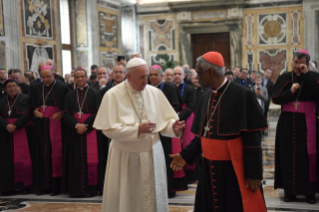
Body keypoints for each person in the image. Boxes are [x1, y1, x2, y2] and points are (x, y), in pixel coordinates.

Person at [170, 51, 268, 212]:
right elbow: (203, 135)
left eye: (199, 73)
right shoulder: (204, 96)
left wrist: (254, 173)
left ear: (210, 72)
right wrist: (185, 155)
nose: (195, 77)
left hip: (233, 170)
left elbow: (252, 139)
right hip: (208, 168)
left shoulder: (242, 95)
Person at [93, 58, 185, 212]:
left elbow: (164, 122)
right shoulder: (112, 95)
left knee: (153, 198)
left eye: (146, 76)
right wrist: (137, 129)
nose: (145, 81)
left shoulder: (154, 93)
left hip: (153, 156)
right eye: (141, 77)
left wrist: (174, 127)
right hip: (126, 157)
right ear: (128, 76)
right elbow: (107, 130)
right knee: (129, 199)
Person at [272, 49, 319, 204]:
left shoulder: (313, 77)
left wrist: (307, 74)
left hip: (308, 124)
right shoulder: (285, 77)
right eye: (295, 62)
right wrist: (290, 92)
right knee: (287, 156)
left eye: (301, 63)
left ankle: (310, 192)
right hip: (287, 124)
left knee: (308, 157)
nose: (297, 66)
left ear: (307, 64)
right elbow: (276, 99)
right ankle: (289, 192)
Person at [62, 68, 108, 197]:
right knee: (75, 160)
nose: (80, 79)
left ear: (86, 77)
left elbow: (98, 112)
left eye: (82, 76)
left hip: (91, 131)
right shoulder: (69, 95)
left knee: (93, 160)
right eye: (77, 77)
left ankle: (92, 189)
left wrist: (85, 126)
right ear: (74, 79)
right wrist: (77, 125)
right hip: (75, 132)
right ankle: (76, 190)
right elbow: (66, 114)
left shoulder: (95, 93)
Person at [30, 65, 70, 196]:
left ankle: (56, 186)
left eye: (48, 76)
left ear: (53, 75)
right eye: (43, 77)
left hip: (57, 124)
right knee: (42, 153)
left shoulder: (62, 87)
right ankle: (43, 186)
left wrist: (63, 113)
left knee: (56, 154)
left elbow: (69, 104)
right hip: (42, 125)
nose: (46, 79)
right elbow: (31, 105)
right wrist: (35, 111)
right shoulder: (36, 87)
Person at [149, 65, 187, 198]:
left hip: (165, 128)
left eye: (155, 75)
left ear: (161, 76)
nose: (153, 77)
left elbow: (175, 109)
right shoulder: (146, 88)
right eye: (151, 75)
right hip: (151, 129)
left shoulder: (170, 88)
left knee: (165, 157)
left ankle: (168, 189)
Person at [0, 79, 33, 195]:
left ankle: (23, 186)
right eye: (9, 87)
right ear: (5, 89)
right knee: (6, 161)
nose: (12, 88)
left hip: (22, 130)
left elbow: (28, 113)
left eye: (14, 86)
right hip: (5, 133)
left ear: (18, 87)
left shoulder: (25, 98)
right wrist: (6, 125)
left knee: (24, 159)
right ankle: (7, 187)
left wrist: (16, 125)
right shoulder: (2, 101)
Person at [173, 66, 196, 182]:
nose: (177, 76)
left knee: (187, 143)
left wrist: (179, 117)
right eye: (175, 74)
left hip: (187, 117)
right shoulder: (170, 88)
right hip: (172, 118)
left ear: (184, 76)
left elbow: (192, 105)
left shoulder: (190, 89)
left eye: (179, 74)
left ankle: (190, 172)